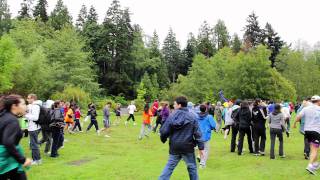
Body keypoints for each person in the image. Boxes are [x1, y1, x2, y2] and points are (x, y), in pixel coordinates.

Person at [159, 96, 204, 180]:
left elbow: (164, 131)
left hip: (175, 146)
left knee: (169, 167)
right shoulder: (192, 116)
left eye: (175, 104)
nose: (174, 106)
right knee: (192, 168)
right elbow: (198, 133)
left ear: (179, 105)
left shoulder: (172, 116)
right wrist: (201, 148)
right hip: (187, 146)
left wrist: (163, 139)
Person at [0, 95, 32, 179]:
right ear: (14, 106)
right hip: (6, 159)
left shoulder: (3, 116)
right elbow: (8, 143)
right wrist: (23, 159)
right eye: (23, 104)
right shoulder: (11, 120)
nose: (25, 106)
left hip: (8, 159)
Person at [294, 95, 320, 175]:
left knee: (313, 149)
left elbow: (298, 117)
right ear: (319, 101)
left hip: (307, 131)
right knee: (315, 149)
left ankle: (315, 164)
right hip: (315, 131)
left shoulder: (306, 108)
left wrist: (295, 124)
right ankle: (310, 165)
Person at [197, 104, 216, 168]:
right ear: (206, 109)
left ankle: (200, 159)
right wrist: (210, 128)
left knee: (201, 148)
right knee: (206, 149)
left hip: (198, 134)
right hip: (205, 135)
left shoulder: (197, 116)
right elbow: (213, 125)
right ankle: (202, 164)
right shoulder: (209, 116)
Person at [25, 94, 42, 165]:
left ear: (33, 99)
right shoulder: (30, 106)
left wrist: (25, 115)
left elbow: (35, 118)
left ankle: (37, 160)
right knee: (33, 144)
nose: (27, 99)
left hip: (34, 128)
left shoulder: (35, 106)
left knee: (34, 144)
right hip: (31, 127)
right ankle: (36, 159)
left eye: (28, 98)